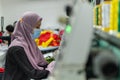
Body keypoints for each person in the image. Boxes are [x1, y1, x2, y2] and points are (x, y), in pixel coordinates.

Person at [2, 11, 55, 80]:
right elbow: (34, 74)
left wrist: (51, 64)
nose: (39, 30)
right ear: (27, 27)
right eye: (37, 27)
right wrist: (51, 70)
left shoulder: (29, 43)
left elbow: (38, 63)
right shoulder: (17, 48)